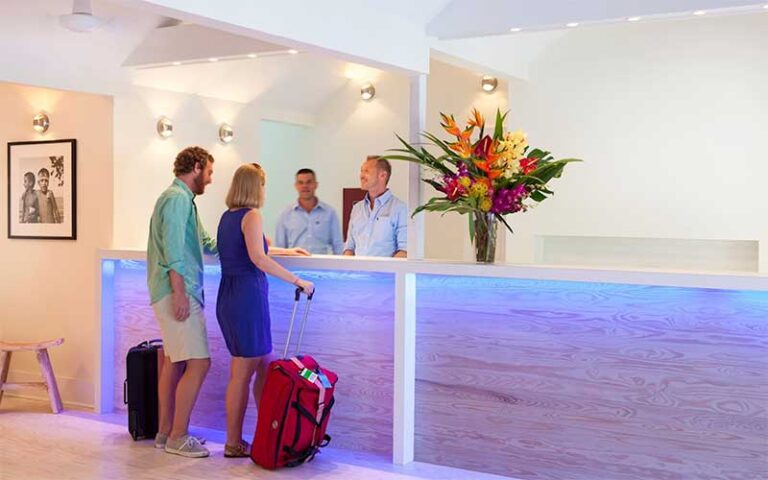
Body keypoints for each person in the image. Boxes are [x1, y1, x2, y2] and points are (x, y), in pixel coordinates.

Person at [215, 163, 315, 457]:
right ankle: (234, 443)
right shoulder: (251, 215)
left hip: (231, 296)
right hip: (247, 297)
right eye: (263, 184)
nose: (264, 191)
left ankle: (269, 434)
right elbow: (258, 258)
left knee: (266, 367)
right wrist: (297, 280)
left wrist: (289, 252)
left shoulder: (228, 217)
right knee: (243, 372)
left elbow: (253, 252)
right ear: (255, 186)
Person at [147, 146, 218, 458]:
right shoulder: (177, 201)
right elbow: (175, 252)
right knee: (200, 362)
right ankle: (178, 436)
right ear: (198, 167)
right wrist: (179, 293)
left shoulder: (179, 199)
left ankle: (165, 433)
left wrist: (250, 242)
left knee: (173, 361)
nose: (211, 180)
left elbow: (204, 242)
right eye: (210, 173)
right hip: (177, 290)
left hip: (169, 289)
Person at [343, 156, 407, 257]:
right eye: (361, 171)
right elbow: (349, 248)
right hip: (357, 272)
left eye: (366, 171)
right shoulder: (357, 208)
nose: (361, 176)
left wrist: (385, 271)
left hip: (386, 272)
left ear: (382, 175)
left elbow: (404, 251)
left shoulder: (400, 208)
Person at [274, 168, 344, 255]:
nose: (305, 186)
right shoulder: (285, 214)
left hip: (321, 265)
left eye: (309, 182)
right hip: (293, 266)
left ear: (316, 185)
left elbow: (338, 245)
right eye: (301, 183)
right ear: (296, 186)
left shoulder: (330, 213)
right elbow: (279, 247)